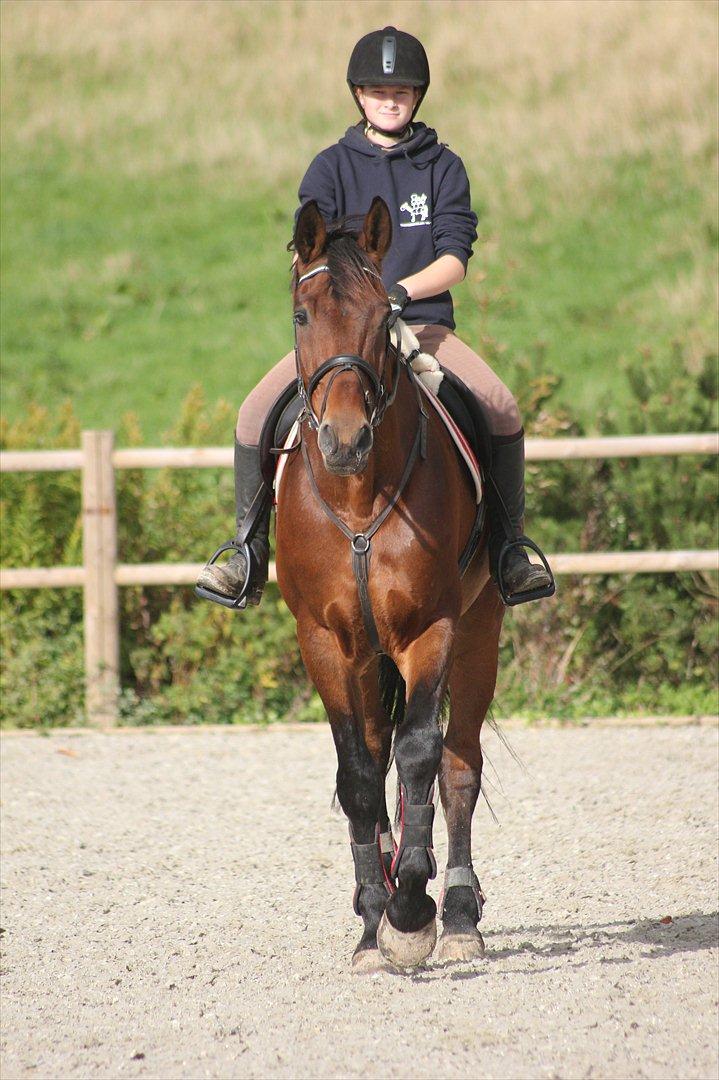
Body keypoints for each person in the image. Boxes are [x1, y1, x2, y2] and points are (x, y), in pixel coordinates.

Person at [196, 26, 552, 608]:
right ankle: (246, 553)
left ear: (418, 96)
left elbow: (454, 258)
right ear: (358, 94)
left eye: (402, 91)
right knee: (252, 413)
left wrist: (399, 293)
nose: (390, 99)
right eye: (378, 90)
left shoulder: (442, 166)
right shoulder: (331, 166)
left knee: (502, 407)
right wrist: (347, 302)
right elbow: (307, 251)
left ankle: (509, 551)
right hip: (343, 334)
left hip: (423, 325)